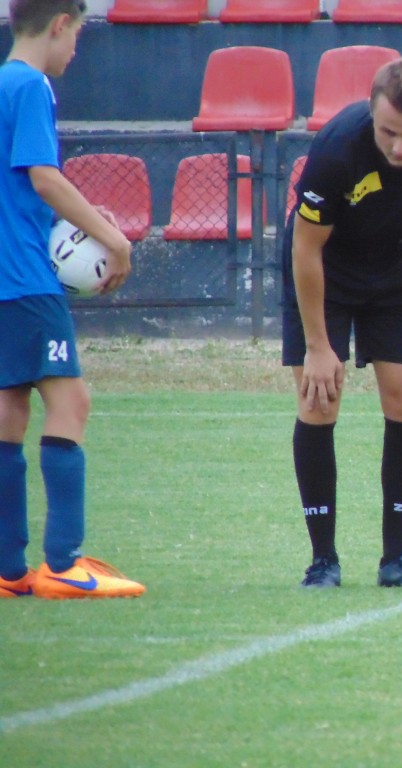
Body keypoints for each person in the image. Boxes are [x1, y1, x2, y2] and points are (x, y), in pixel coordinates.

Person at [281, 57, 402, 590]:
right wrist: (319, 346)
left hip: (396, 267)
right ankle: (322, 561)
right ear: (371, 113)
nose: (399, 146)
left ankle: (397, 560)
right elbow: (305, 249)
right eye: (389, 132)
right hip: (327, 268)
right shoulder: (337, 147)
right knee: (318, 398)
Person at [0, 0, 144, 599]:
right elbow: (43, 177)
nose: (78, 48)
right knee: (72, 401)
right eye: (79, 33)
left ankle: (9, 570)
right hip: (26, 278)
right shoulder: (31, 85)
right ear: (60, 23)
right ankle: (63, 564)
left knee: (9, 408)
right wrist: (114, 240)